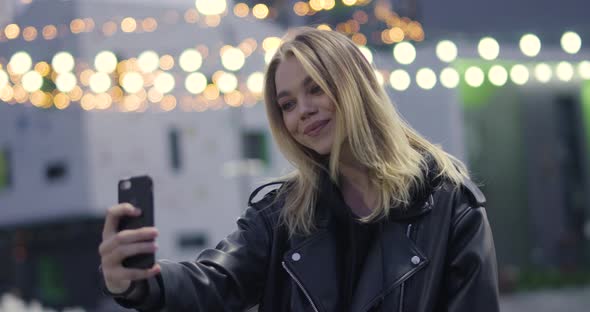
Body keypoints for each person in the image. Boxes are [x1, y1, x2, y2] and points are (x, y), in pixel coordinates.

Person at [98, 27, 500, 312]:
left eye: (315, 89)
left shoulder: (451, 208)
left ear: (354, 87)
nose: (302, 112)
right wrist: (140, 282)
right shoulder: (281, 216)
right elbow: (216, 282)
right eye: (287, 104)